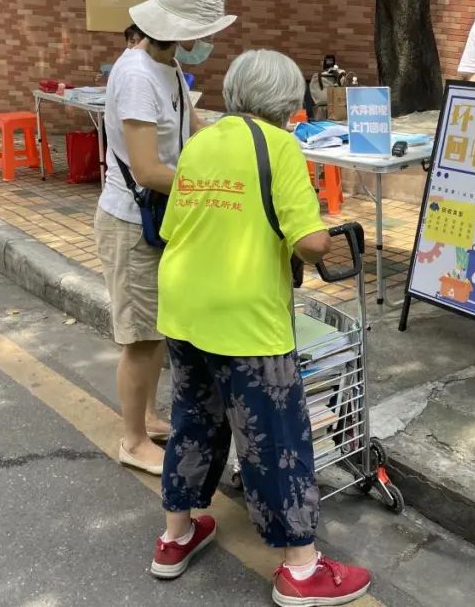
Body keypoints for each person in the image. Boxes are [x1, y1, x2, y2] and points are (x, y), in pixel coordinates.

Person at [151, 50, 372, 606]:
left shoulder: (201, 143)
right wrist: (328, 237)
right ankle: (301, 569)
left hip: (183, 306)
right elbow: (310, 242)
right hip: (246, 317)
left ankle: (175, 537)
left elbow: (177, 225)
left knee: (194, 420)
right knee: (276, 437)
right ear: (287, 101)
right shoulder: (280, 146)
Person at [94, 0, 236, 477]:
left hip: (157, 218)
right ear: (181, 29)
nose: (208, 41)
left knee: (154, 330)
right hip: (132, 222)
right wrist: (212, 189)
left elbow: (193, 133)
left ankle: (148, 418)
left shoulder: (168, 66)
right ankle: (133, 440)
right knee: (140, 338)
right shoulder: (136, 75)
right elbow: (148, 169)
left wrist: (233, 143)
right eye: (205, 32)